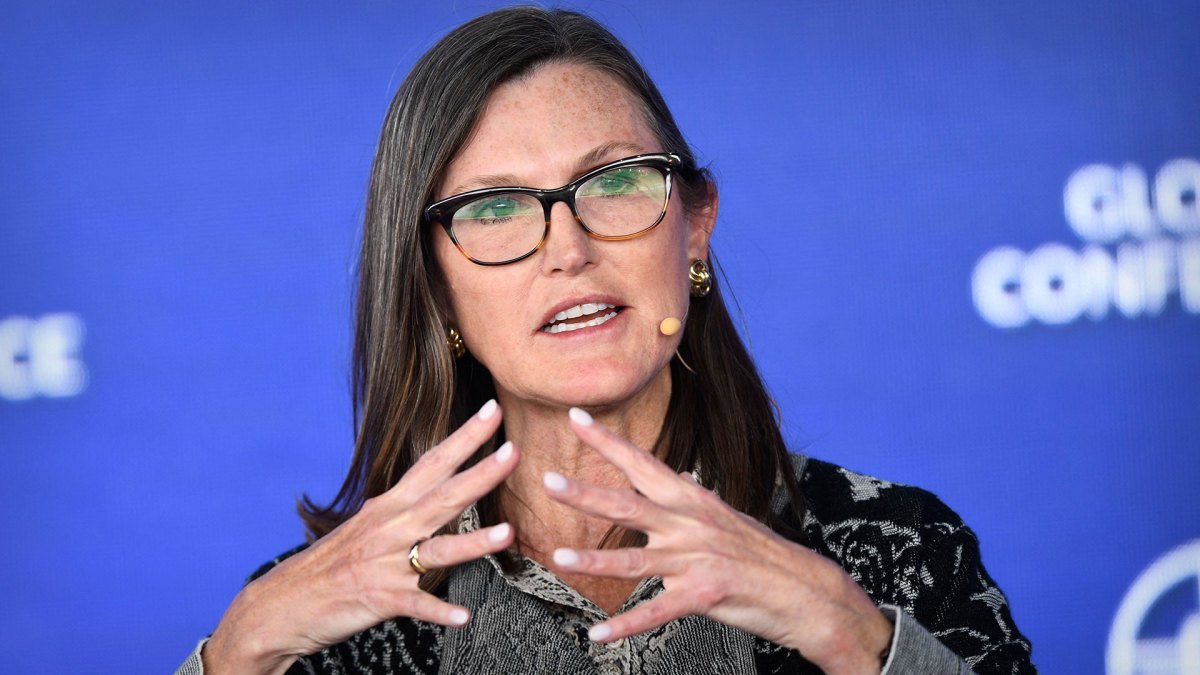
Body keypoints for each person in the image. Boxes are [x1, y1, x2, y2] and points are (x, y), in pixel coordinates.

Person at [178, 7, 1035, 674]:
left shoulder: (897, 553)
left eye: (614, 181)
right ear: (434, 286)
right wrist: (240, 648)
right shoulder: (336, 620)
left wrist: (852, 635)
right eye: (495, 206)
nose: (569, 249)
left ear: (695, 226)